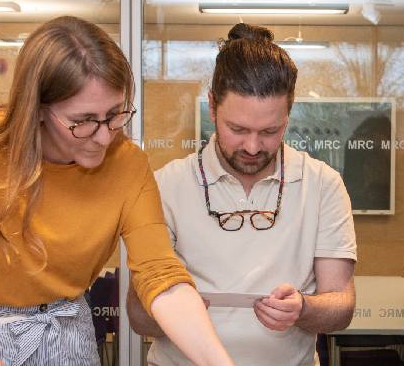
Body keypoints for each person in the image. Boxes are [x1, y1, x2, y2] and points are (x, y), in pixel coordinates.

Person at [0, 16, 234, 366]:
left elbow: (160, 273)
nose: (103, 136)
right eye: (82, 121)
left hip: (67, 331)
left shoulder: (128, 165)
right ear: (37, 108)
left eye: (115, 115)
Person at [126, 23, 358, 366]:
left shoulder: (322, 184)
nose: (252, 146)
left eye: (270, 131)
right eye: (237, 129)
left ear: (289, 114)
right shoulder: (164, 185)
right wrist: (172, 308)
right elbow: (136, 317)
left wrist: (302, 309)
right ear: (212, 108)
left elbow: (341, 306)